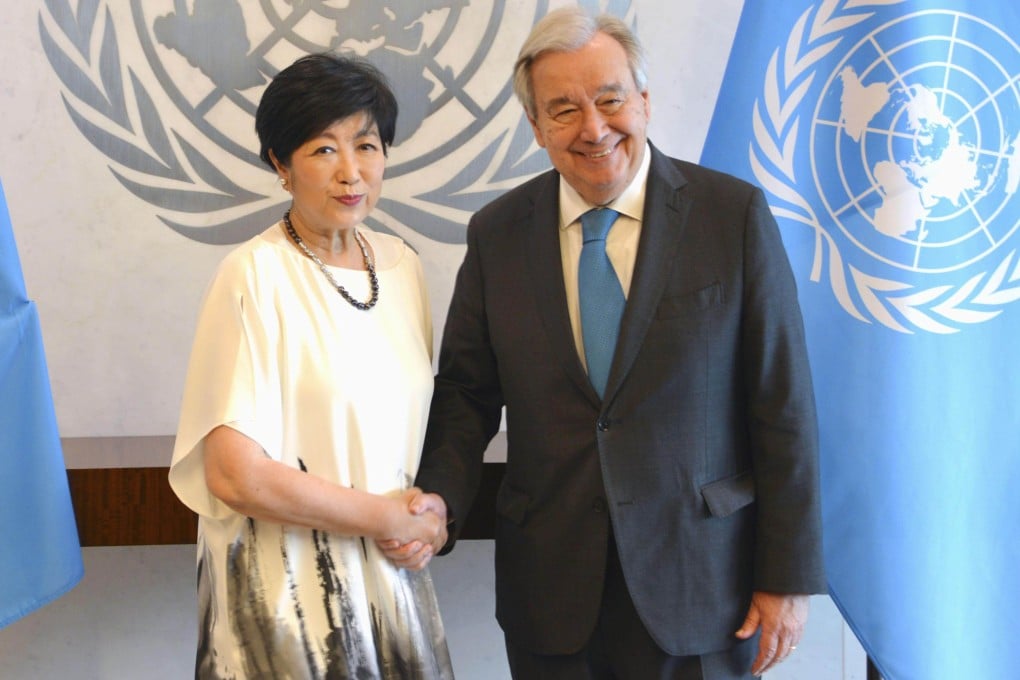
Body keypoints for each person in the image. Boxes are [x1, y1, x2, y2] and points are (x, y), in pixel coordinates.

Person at [380, 7, 825, 679]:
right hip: (550, 587)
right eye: (563, 110)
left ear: (644, 102)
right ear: (536, 126)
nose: (593, 128)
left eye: (611, 99)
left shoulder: (730, 216)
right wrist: (438, 497)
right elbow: (467, 392)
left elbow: (781, 402)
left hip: (703, 583)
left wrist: (787, 575)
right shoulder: (498, 233)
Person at [168, 53, 454, 679]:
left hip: (390, 578)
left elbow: (403, 435)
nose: (351, 172)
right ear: (281, 164)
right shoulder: (254, 275)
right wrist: (385, 517)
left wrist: (428, 519)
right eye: (323, 150)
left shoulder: (403, 268)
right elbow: (235, 476)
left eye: (367, 145)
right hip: (288, 599)